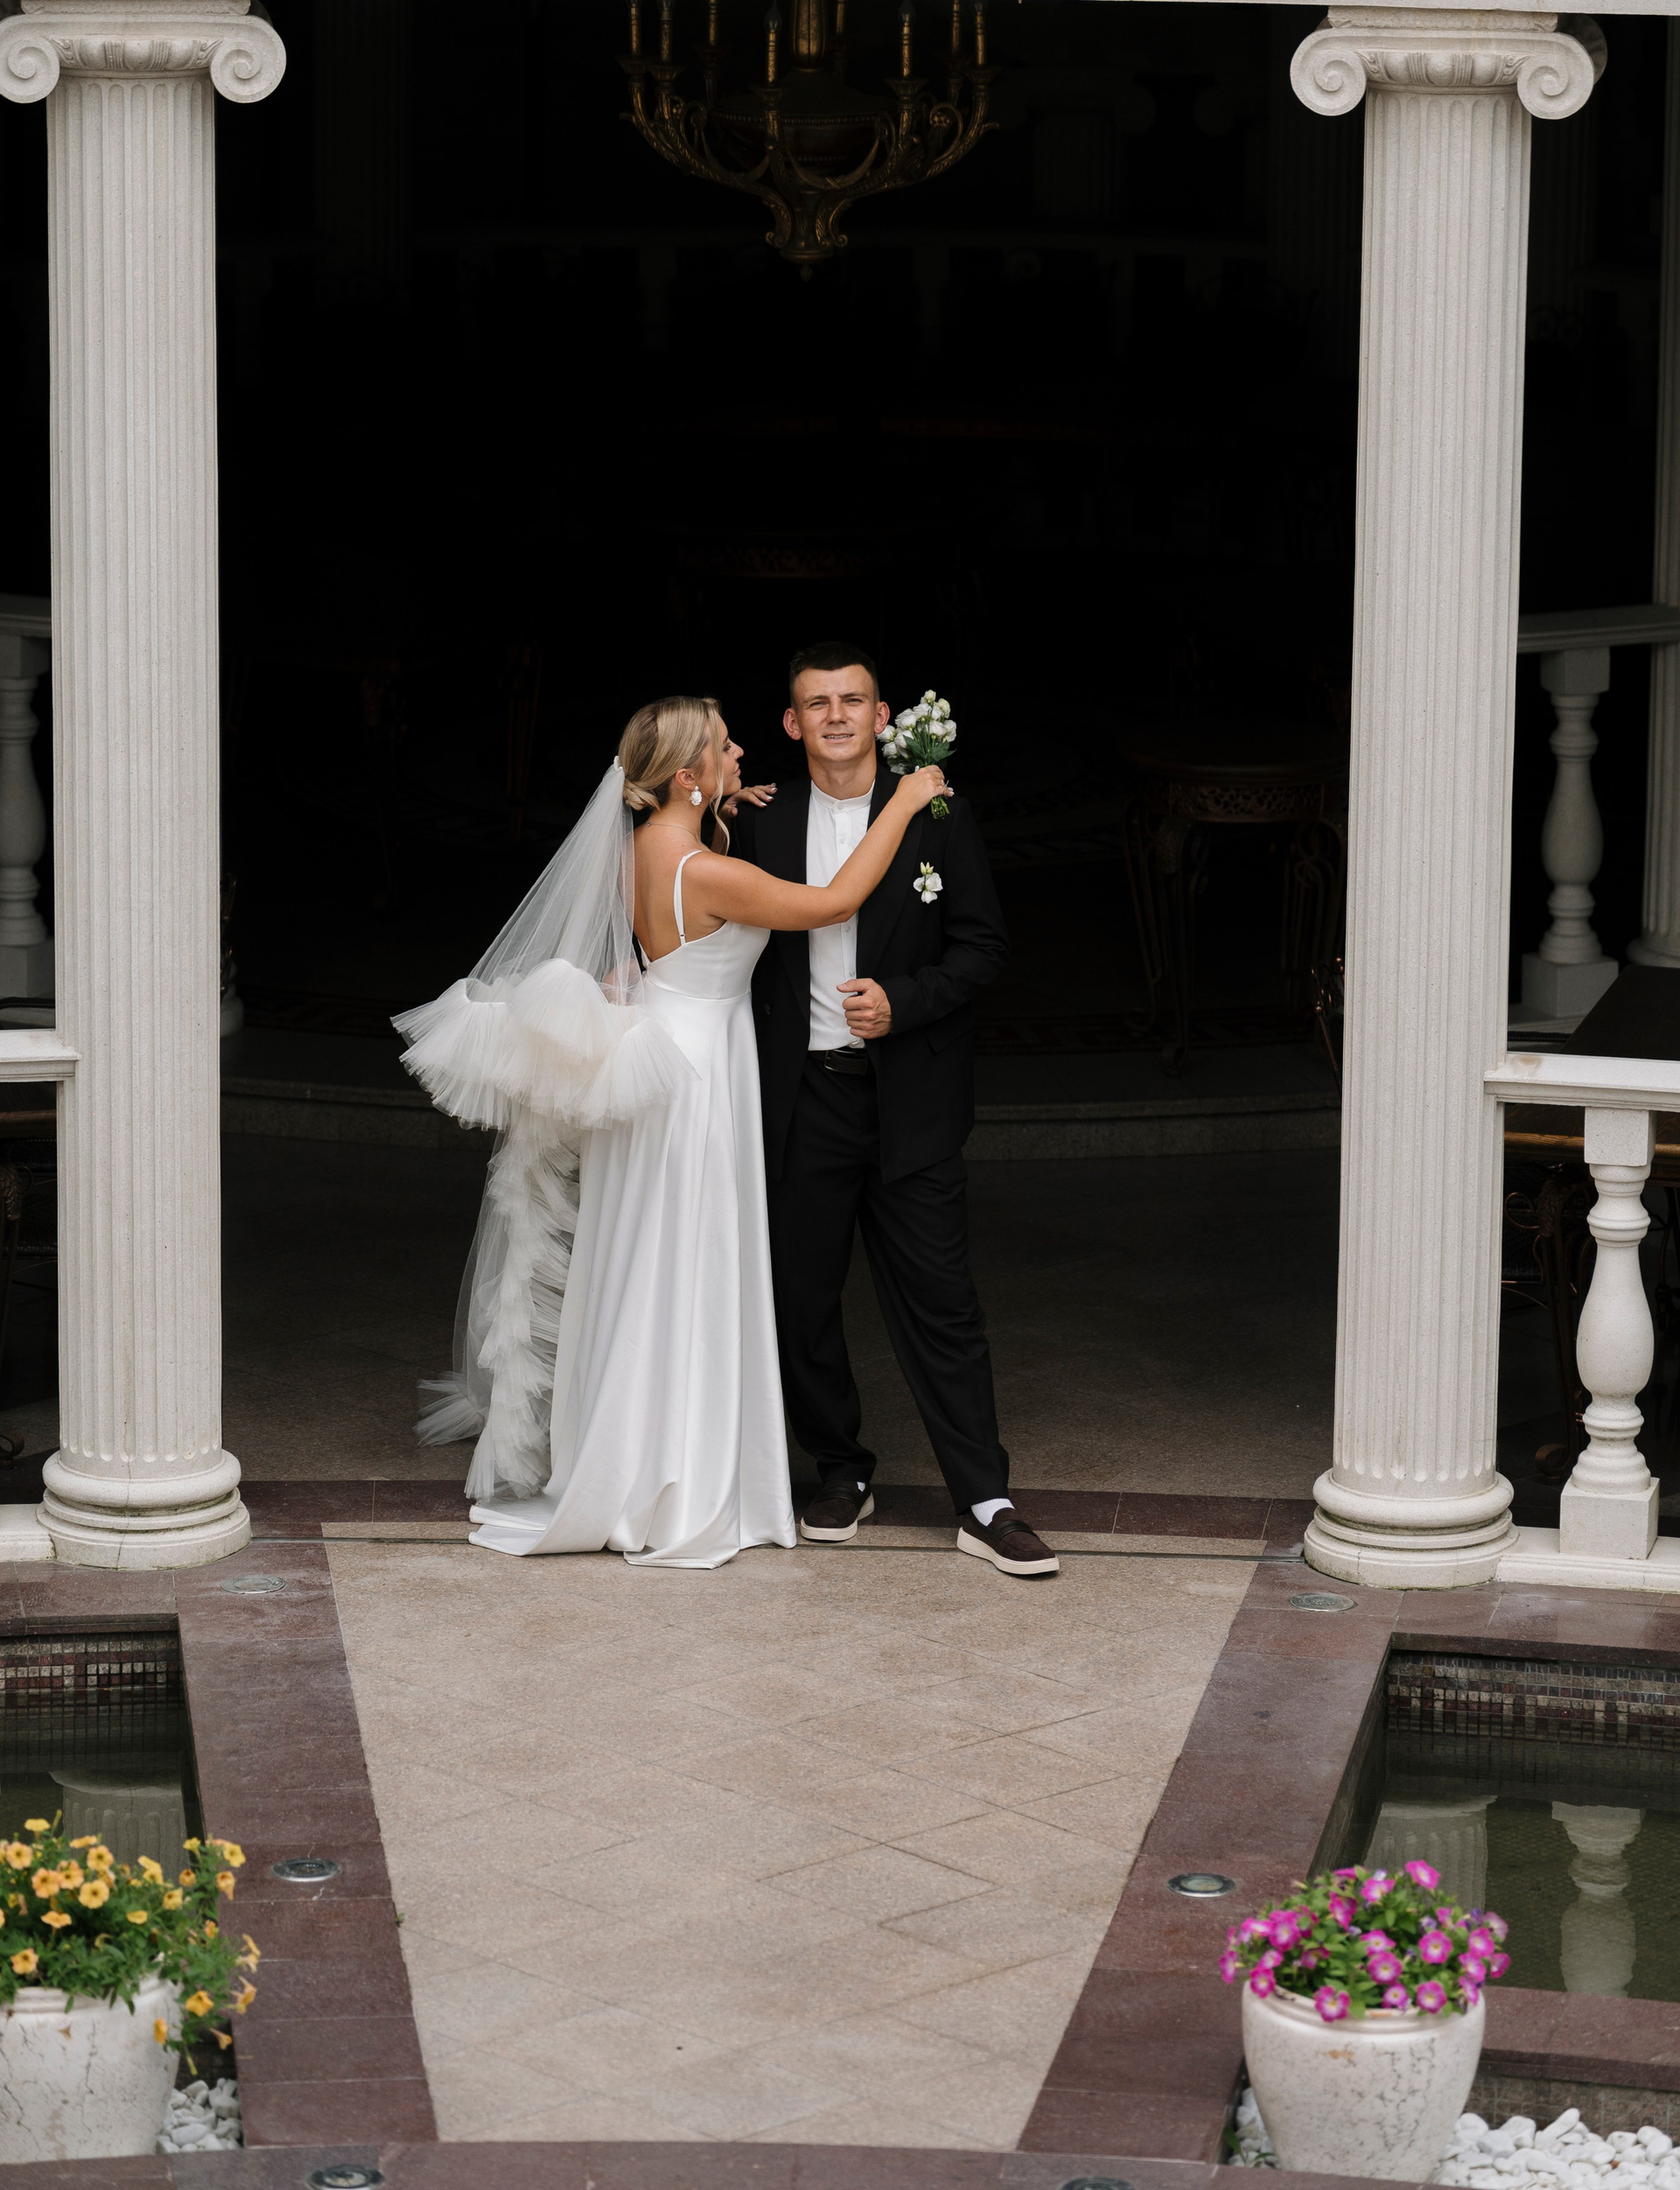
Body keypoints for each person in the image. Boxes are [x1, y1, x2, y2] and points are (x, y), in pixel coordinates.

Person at [393, 694, 946, 1568]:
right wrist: (905, 801)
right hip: (696, 1080)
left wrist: (721, 803)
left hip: (654, 1060)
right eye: (725, 749)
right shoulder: (708, 872)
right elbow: (836, 898)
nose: (741, 754)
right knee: (691, 1264)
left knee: (643, 1264)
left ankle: (625, 1453)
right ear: (687, 775)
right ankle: (678, 1480)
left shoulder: (641, 849)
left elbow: (663, 938)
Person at [727, 642, 1059, 1578]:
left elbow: (984, 944)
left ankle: (985, 1500)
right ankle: (841, 1469)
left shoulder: (938, 813)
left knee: (942, 1303)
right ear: (791, 723)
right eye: (817, 703)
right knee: (800, 1301)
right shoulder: (757, 820)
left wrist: (903, 1001)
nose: (836, 716)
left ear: (883, 717)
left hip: (911, 1096)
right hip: (801, 1100)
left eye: (853, 700)